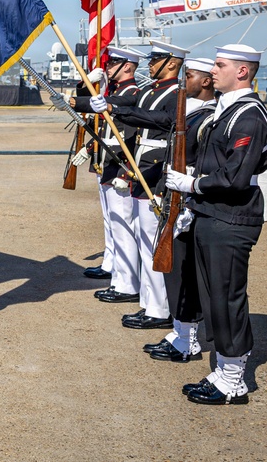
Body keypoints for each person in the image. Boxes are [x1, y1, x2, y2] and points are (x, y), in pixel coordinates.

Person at [165, 43, 267, 405]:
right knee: (212, 296)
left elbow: (234, 177)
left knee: (226, 298)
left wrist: (191, 185)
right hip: (211, 212)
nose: (212, 71)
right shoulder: (225, 111)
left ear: (242, 71)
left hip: (231, 215)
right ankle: (223, 369)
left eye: (220, 64)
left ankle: (234, 380)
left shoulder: (249, 116)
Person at [92, 41, 187, 331]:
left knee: (151, 244)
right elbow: (127, 107)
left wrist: (113, 108)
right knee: (143, 241)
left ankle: (158, 309)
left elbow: (162, 120)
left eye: (155, 59)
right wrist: (80, 101)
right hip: (141, 171)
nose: (150, 64)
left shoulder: (175, 94)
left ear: (172, 62)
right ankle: (149, 303)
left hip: (154, 172)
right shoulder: (148, 91)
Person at [145, 57, 218, 364]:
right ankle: (180, 332)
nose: (182, 81)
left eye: (188, 76)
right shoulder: (189, 112)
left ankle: (187, 340)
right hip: (174, 197)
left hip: (190, 201)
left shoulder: (209, 117)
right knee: (175, 271)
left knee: (186, 272)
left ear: (204, 81)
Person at [70, 47, 144, 289]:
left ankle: (126, 280)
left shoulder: (132, 93)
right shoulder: (114, 90)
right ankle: (110, 264)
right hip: (106, 164)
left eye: (114, 63)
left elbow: (130, 138)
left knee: (123, 223)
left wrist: (75, 98)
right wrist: (90, 149)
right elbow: (106, 131)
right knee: (110, 220)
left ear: (127, 67)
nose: (108, 67)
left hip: (120, 166)